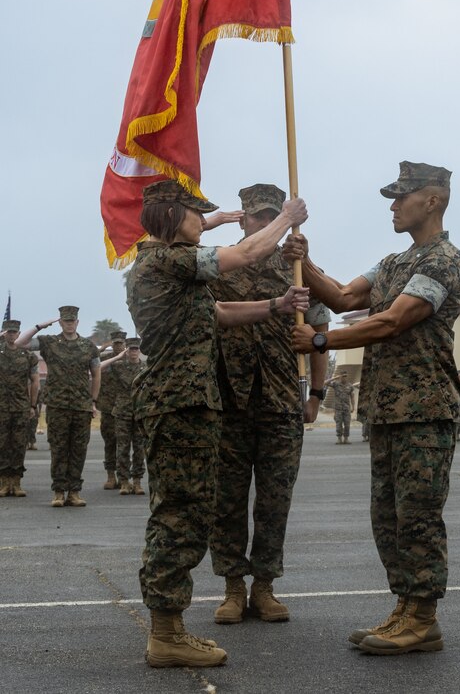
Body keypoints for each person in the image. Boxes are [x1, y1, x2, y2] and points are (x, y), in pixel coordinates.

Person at [286, 160, 460, 655]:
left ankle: (424, 618)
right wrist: (307, 259)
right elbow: (344, 296)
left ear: (431, 200)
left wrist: (320, 339)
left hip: (424, 409)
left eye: (401, 196)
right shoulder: (391, 263)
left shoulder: (444, 260)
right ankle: (406, 609)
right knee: (386, 517)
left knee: (418, 517)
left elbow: (392, 321)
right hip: (387, 409)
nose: (392, 205)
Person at [126, 179, 309, 669]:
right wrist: (287, 218)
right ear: (172, 215)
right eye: (194, 213)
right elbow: (245, 256)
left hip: (189, 404)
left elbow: (221, 311)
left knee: (184, 515)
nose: (201, 220)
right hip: (180, 404)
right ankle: (166, 634)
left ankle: (170, 629)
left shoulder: (171, 266)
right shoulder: (167, 259)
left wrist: (276, 306)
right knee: (179, 518)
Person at [207, 183, 330, 626]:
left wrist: (316, 395)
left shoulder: (296, 269)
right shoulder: (220, 265)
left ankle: (264, 585)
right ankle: (232, 586)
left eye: (272, 215)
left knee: (275, 501)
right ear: (242, 218)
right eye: (257, 216)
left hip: (280, 403)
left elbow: (319, 337)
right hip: (228, 402)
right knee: (227, 500)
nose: (263, 223)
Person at [15, 306, 100, 507]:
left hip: (81, 405)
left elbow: (96, 374)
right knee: (59, 449)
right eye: (65, 321)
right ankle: (59, 492)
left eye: (72, 321)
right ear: (60, 322)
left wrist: (94, 401)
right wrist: (38, 326)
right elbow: (19, 343)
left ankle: (74, 492)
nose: (69, 324)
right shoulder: (49, 342)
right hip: (57, 406)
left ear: (77, 322)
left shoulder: (89, 346)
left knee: (79, 450)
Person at [100, 337, 146, 496]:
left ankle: (138, 481)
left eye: (136, 349)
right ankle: (124, 481)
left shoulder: (146, 367)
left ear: (139, 350)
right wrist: (118, 357)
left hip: (139, 412)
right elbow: (99, 367)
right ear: (127, 350)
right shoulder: (118, 367)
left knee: (139, 448)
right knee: (123, 448)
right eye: (131, 349)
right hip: (122, 412)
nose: (133, 352)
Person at [0, 320, 40, 497]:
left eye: (14, 332)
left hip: (21, 406)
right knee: (1, 445)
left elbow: (35, 381)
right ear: (4, 333)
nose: (11, 335)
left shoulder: (28, 355)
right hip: (1, 407)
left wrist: (32, 405)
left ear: (19, 334)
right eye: (8, 332)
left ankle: (16, 482)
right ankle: (3, 482)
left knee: (18, 445)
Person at [97, 330, 127, 489]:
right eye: (115, 343)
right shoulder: (105, 360)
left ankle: (124, 476)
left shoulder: (133, 360)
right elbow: (88, 360)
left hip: (127, 410)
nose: (118, 346)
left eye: (121, 343)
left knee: (125, 445)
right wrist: (101, 349)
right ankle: (110, 476)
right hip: (108, 408)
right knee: (110, 443)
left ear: (125, 344)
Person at [325, 371, 355, 444]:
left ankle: (346, 439)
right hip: (338, 408)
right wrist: (335, 378)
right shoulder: (336, 384)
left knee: (347, 424)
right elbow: (325, 383)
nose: (344, 378)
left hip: (346, 408)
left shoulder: (350, 386)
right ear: (340, 376)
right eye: (342, 376)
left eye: (345, 376)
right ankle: (339, 438)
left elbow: (352, 397)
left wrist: (353, 407)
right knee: (339, 424)